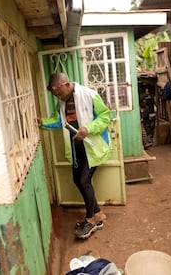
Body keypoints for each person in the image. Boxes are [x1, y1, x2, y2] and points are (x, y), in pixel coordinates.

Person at [38, 72, 112, 239]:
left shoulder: (89, 95)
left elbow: (105, 117)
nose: (59, 98)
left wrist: (87, 129)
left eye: (59, 93)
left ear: (66, 84)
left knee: (84, 181)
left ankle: (90, 219)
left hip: (94, 146)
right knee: (77, 180)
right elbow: (59, 121)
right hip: (77, 148)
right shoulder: (62, 102)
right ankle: (98, 214)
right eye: (55, 95)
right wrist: (42, 123)